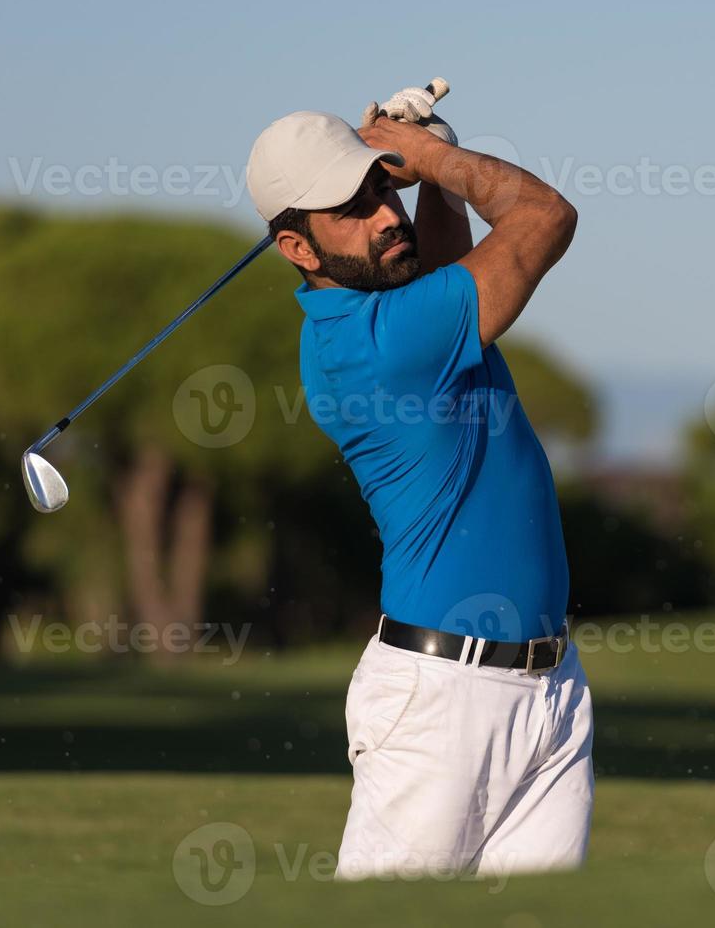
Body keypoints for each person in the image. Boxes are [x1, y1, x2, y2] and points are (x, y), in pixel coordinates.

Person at [244, 84, 590, 882]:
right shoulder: (377, 342)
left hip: (547, 691)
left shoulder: (405, 308)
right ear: (298, 249)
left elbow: (439, 263)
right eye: (354, 211)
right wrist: (432, 156)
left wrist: (429, 165)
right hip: (439, 701)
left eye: (380, 189)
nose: (384, 216)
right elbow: (544, 219)